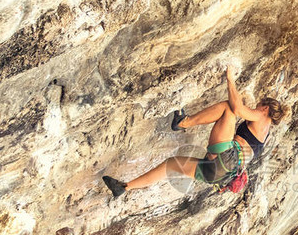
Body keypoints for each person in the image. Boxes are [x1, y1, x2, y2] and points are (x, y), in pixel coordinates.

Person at [102, 66, 286, 197]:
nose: (255, 107)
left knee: (227, 108)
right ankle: (124, 188)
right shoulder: (265, 134)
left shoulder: (262, 116)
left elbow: (237, 108)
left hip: (227, 159)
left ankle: (184, 122)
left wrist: (230, 79)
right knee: (171, 165)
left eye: (259, 105)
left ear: (265, 108)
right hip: (220, 175)